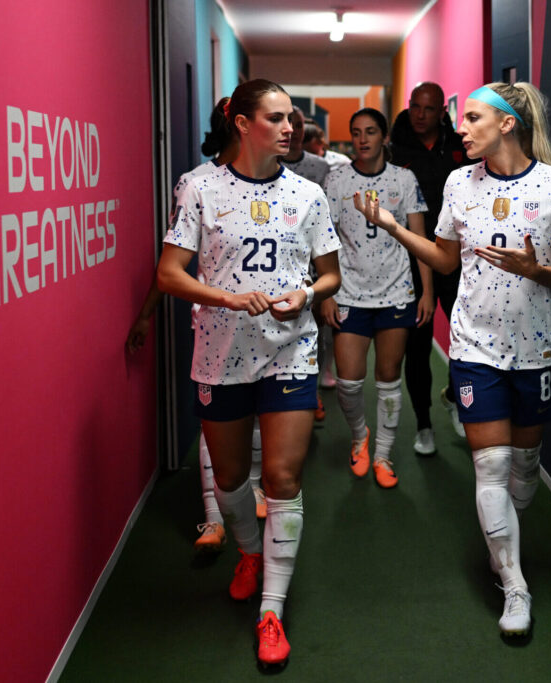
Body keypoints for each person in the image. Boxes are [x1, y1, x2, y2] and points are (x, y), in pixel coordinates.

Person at [354, 82, 551, 637]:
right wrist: (391, 226)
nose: (462, 127)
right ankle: (514, 584)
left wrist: (534, 270)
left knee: (523, 474)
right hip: (474, 345)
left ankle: (503, 538)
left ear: (507, 123)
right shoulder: (460, 182)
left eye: (474, 118)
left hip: (535, 349)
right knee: (490, 467)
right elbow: (444, 256)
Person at [158, 79, 341, 667]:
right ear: (242, 123)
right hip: (220, 353)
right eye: (277, 118)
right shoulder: (199, 187)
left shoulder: (308, 195)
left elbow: (331, 275)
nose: (291, 128)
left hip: (291, 350)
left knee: (283, 480)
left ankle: (272, 611)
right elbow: (169, 273)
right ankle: (247, 551)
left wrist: (306, 292)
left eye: (291, 118)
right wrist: (229, 298)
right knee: (233, 480)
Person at [125, 98, 268, 552]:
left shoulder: (281, 184)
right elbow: (173, 260)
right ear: (237, 127)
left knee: (264, 418)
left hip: (271, 325)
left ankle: (256, 489)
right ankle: (213, 518)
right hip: (215, 325)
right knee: (218, 424)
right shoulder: (196, 183)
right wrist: (147, 312)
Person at [321, 108, 428, 488]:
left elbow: (420, 243)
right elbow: (323, 242)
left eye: (370, 132)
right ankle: (359, 437)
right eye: (355, 133)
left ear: (384, 137)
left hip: (397, 292)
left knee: (388, 378)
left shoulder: (403, 179)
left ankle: (382, 455)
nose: (362, 139)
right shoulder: (336, 181)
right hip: (348, 293)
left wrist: (426, 292)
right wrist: (326, 293)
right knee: (349, 381)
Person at [389, 82, 472, 454]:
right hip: (411, 260)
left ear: (442, 111)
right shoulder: (395, 150)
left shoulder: (458, 148)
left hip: (455, 257)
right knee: (418, 347)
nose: (419, 115)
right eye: (415, 107)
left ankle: (454, 395)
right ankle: (423, 424)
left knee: (465, 336)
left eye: (428, 109)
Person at [282, 108, 336, 405]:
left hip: (315, 258)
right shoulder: (270, 163)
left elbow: (326, 222)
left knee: (317, 325)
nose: (295, 129)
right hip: (284, 260)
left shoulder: (320, 168)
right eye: (291, 123)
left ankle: (315, 380)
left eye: (300, 124)